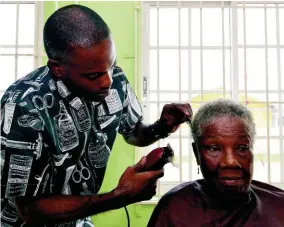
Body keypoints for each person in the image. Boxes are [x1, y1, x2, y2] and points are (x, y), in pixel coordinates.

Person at [0, 4, 192, 227]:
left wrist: (162, 126)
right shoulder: (23, 107)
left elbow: (135, 134)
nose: (108, 81)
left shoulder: (113, 78)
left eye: (111, 65)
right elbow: (30, 211)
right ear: (57, 68)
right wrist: (119, 197)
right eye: (94, 75)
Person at [147, 99, 284, 227]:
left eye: (242, 148)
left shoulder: (279, 208)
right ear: (197, 154)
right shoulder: (173, 211)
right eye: (214, 149)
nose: (230, 162)